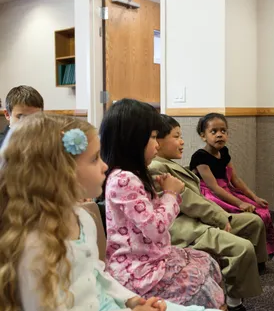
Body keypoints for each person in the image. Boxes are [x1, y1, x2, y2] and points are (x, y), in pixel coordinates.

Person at [0, 113, 170, 311]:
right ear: (61, 171)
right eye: (94, 159)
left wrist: (131, 300)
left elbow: (96, 273)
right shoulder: (35, 245)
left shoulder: (82, 219)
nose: (105, 166)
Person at [99, 99, 225, 309]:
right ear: (133, 140)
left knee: (207, 261)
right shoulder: (124, 179)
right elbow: (155, 228)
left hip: (152, 256)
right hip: (137, 269)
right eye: (153, 137)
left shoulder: (133, 175)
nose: (157, 145)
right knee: (202, 284)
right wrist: (170, 194)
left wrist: (166, 195)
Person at [149, 114, 268, 311]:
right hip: (187, 227)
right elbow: (192, 202)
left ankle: (249, 270)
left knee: (253, 222)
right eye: (176, 136)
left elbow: (229, 182)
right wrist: (221, 218)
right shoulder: (157, 168)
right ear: (157, 141)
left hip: (199, 217)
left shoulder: (170, 162)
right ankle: (234, 302)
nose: (182, 141)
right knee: (242, 247)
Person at [189, 113, 274, 258]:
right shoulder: (199, 157)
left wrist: (254, 197)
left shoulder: (224, 152)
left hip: (226, 190)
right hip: (211, 194)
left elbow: (235, 179)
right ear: (203, 136)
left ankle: (259, 254)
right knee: (246, 213)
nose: (219, 135)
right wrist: (240, 203)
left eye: (223, 131)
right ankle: (241, 252)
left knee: (262, 210)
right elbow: (214, 187)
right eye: (214, 131)